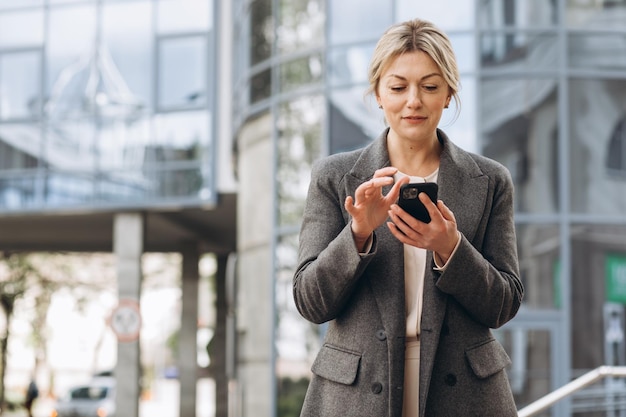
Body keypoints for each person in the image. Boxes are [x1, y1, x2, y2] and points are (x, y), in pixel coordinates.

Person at [292, 18, 524, 417]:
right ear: (378, 93)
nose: (413, 101)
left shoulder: (490, 181)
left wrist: (450, 248)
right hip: (357, 393)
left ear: (449, 93)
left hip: (464, 394)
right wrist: (358, 233)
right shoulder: (334, 177)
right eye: (398, 87)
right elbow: (311, 302)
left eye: (430, 86)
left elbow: (503, 305)